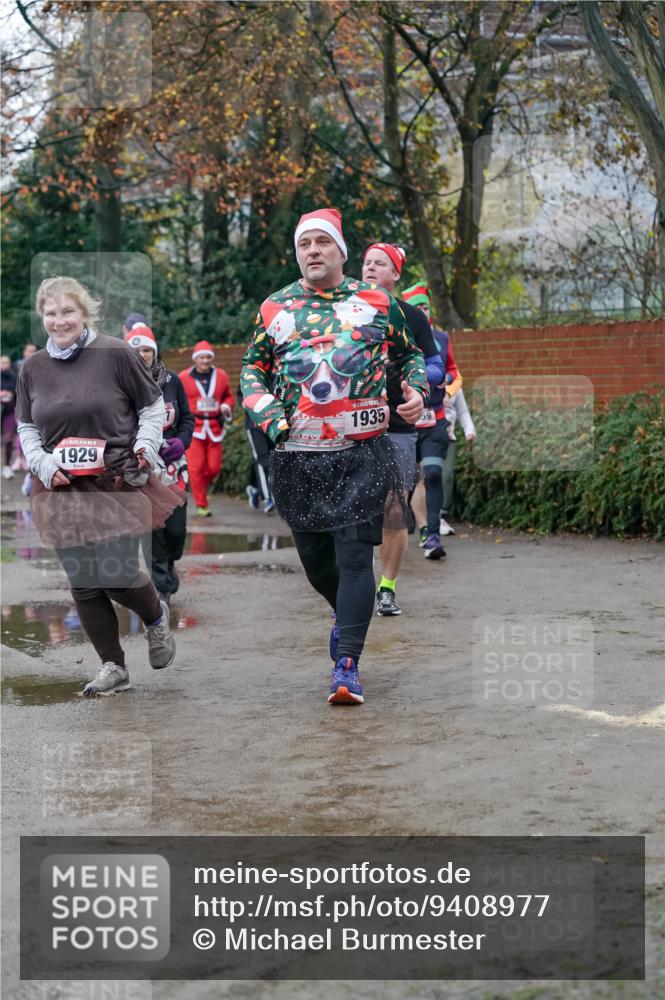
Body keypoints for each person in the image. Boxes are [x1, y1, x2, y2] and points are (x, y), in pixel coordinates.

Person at [240, 208, 428, 705]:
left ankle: (347, 665)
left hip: (362, 450)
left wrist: (415, 390)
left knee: (353, 558)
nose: (313, 251)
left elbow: (410, 356)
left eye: (323, 243)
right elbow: (251, 370)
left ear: (341, 251)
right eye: (305, 245)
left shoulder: (376, 302)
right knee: (317, 564)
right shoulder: (275, 308)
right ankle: (343, 614)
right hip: (299, 454)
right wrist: (272, 420)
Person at [16, 276, 182, 696]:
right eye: (50, 313)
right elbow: (26, 426)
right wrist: (40, 462)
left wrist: (147, 444)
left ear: (85, 311)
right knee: (83, 581)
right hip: (60, 487)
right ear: (42, 317)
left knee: (116, 573)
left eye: (67, 311)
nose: (59, 321)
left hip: (116, 481)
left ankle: (155, 617)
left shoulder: (116, 352)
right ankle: (114, 666)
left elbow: (151, 405)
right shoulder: (33, 368)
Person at [361, 243, 444, 615]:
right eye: (366, 263)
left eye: (380, 264)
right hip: (350, 428)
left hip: (397, 426)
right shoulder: (343, 312)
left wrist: (419, 384)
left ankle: (387, 588)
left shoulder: (411, 316)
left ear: (395, 274)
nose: (371, 268)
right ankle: (352, 587)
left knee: (394, 510)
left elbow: (436, 366)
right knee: (351, 512)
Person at [125, 324, 194, 603]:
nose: (142, 355)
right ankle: (162, 589)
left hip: (174, 466)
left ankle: (170, 563)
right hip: (141, 465)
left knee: (175, 531)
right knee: (152, 529)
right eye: (135, 350)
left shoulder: (172, 382)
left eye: (146, 350)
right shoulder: (121, 387)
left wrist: (181, 441)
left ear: (155, 352)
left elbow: (187, 418)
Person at [401, 282, 462, 556]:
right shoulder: (398, 336)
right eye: (416, 307)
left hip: (434, 418)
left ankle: (433, 535)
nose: (421, 311)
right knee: (404, 482)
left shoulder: (442, 338)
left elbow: (453, 371)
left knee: (434, 474)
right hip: (404, 422)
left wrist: (446, 385)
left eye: (425, 306)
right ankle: (414, 527)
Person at [179, 341, 234, 517]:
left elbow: (228, 397)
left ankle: (198, 485)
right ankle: (202, 505)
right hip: (194, 428)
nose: (205, 361)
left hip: (215, 427)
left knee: (213, 468)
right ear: (195, 359)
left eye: (208, 357)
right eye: (201, 357)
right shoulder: (183, 377)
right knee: (195, 468)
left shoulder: (222, 376)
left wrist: (226, 406)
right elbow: (178, 401)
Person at [440, 387, 476, 534]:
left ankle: (440, 516)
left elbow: (462, 411)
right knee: (424, 478)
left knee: (446, 476)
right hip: (423, 435)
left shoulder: (454, 384)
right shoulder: (420, 376)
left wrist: (469, 429)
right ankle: (421, 518)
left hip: (448, 437)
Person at [1, 355, 18, 478]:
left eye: (7, 362)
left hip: (10, 412)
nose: (4, 365)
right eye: (2, 362)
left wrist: (11, 394)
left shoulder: (14, 377)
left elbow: (20, 395)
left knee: (8, 439)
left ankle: (7, 466)